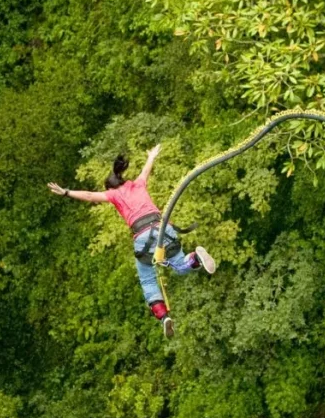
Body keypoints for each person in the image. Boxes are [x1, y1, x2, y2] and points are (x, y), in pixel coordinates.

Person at [47, 144, 216, 337]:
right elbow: (146, 170)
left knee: (147, 279)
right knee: (180, 264)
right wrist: (152, 156)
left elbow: (89, 195)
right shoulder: (138, 184)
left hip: (143, 237)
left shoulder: (113, 194)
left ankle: (164, 317)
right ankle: (196, 259)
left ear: (110, 187)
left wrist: (66, 192)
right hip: (163, 228)